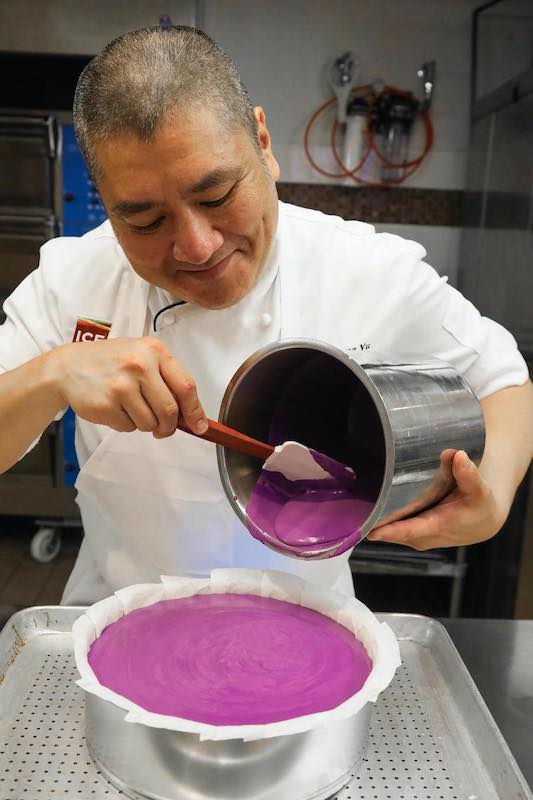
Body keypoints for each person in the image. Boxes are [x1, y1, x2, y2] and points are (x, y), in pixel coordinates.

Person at [0, 27, 531, 604]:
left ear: (262, 141)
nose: (197, 247)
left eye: (218, 196)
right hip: (120, 620)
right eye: (146, 222)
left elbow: (503, 380)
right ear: (105, 202)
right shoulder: (73, 278)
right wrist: (53, 375)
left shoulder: (363, 267)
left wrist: (495, 494)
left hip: (310, 635)